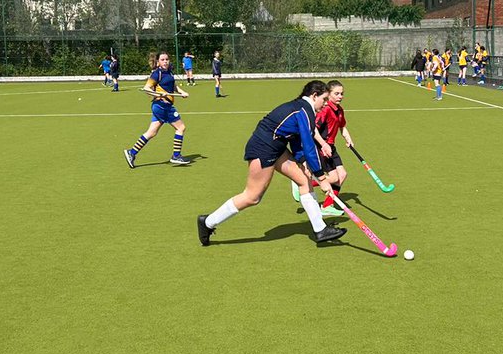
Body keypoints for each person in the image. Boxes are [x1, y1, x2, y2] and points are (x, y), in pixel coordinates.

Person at [197, 81, 347, 247]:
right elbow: (309, 145)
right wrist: (322, 178)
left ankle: (320, 230)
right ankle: (208, 222)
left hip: (277, 147)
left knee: (304, 180)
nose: (326, 103)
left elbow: (297, 140)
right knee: (252, 197)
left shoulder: (302, 108)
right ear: (314, 96)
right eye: (324, 99)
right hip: (264, 149)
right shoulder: (305, 110)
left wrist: (303, 161)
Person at [124, 52, 191, 167]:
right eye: (162, 60)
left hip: (162, 106)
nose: (165, 61)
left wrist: (181, 92)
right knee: (181, 127)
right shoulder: (157, 73)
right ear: (158, 62)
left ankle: (131, 152)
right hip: (162, 105)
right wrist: (159, 94)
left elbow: (173, 86)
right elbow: (146, 88)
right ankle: (176, 156)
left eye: (167, 59)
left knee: (151, 132)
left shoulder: (169, 72)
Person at [315, 80, 354, 215]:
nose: (340, 96)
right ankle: (302, 183)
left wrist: (348, 139)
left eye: (342, 94)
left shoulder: (339, 110)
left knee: (342, 175)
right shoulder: (325, 110)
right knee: (334, 178)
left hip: (331, 146)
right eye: (336, 93)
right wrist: (323, 145)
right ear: (328, 94)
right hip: (322, 146)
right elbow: (313, 129)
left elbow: (342, 127)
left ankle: (326, 206)